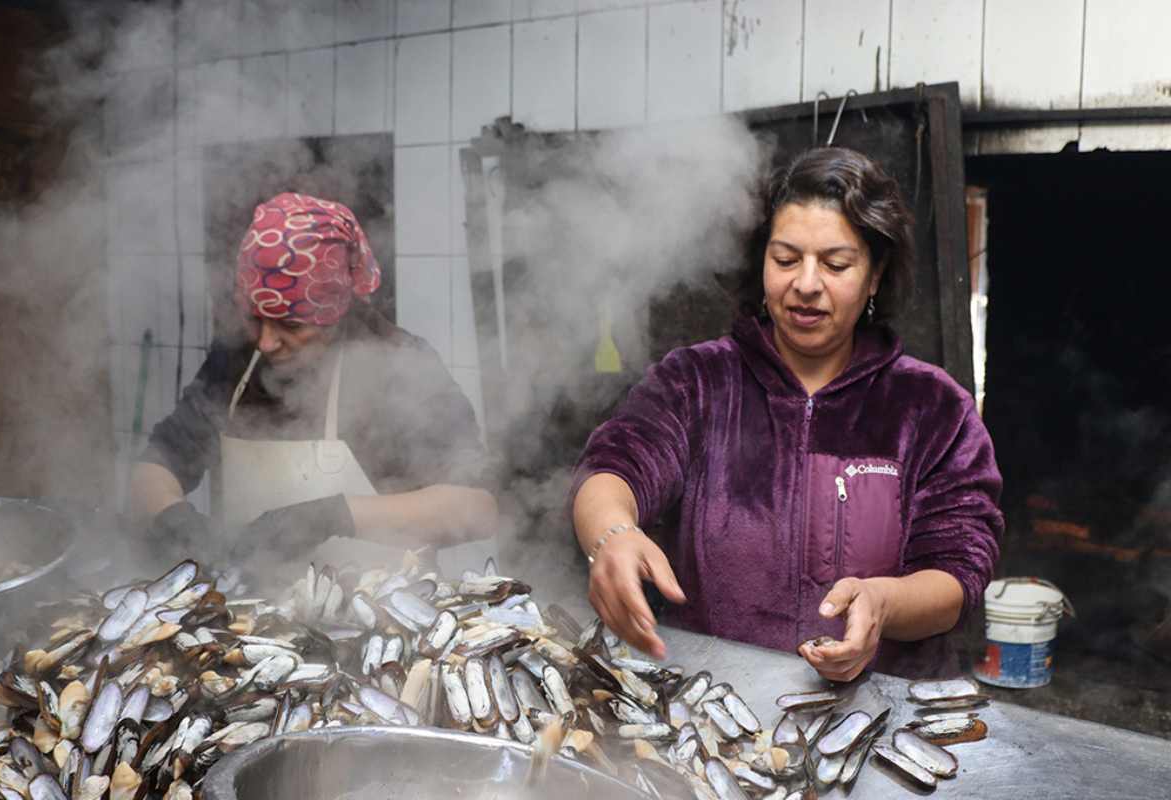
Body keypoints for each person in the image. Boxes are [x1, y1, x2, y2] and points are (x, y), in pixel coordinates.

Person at [570, 148, 1003, 680]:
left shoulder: (933, 407)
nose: (806, 283)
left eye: (836, 264)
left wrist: (884, 604)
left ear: (874, 275)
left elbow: (958, 572)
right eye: (786, 259)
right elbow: (613, 466)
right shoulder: (697, 380)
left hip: (878, 708)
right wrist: (611, 535)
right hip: (715, 702)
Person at [130, 192, 497, 575]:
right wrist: (175, 521)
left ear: (333, 312)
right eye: (255, 318)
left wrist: (331, 517)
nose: (266, 342)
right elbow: (156, 465)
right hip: (247, 606)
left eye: (290, 324)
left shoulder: (398, 363)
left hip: (376, 605)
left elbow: (478, 509)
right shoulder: (236, 361)